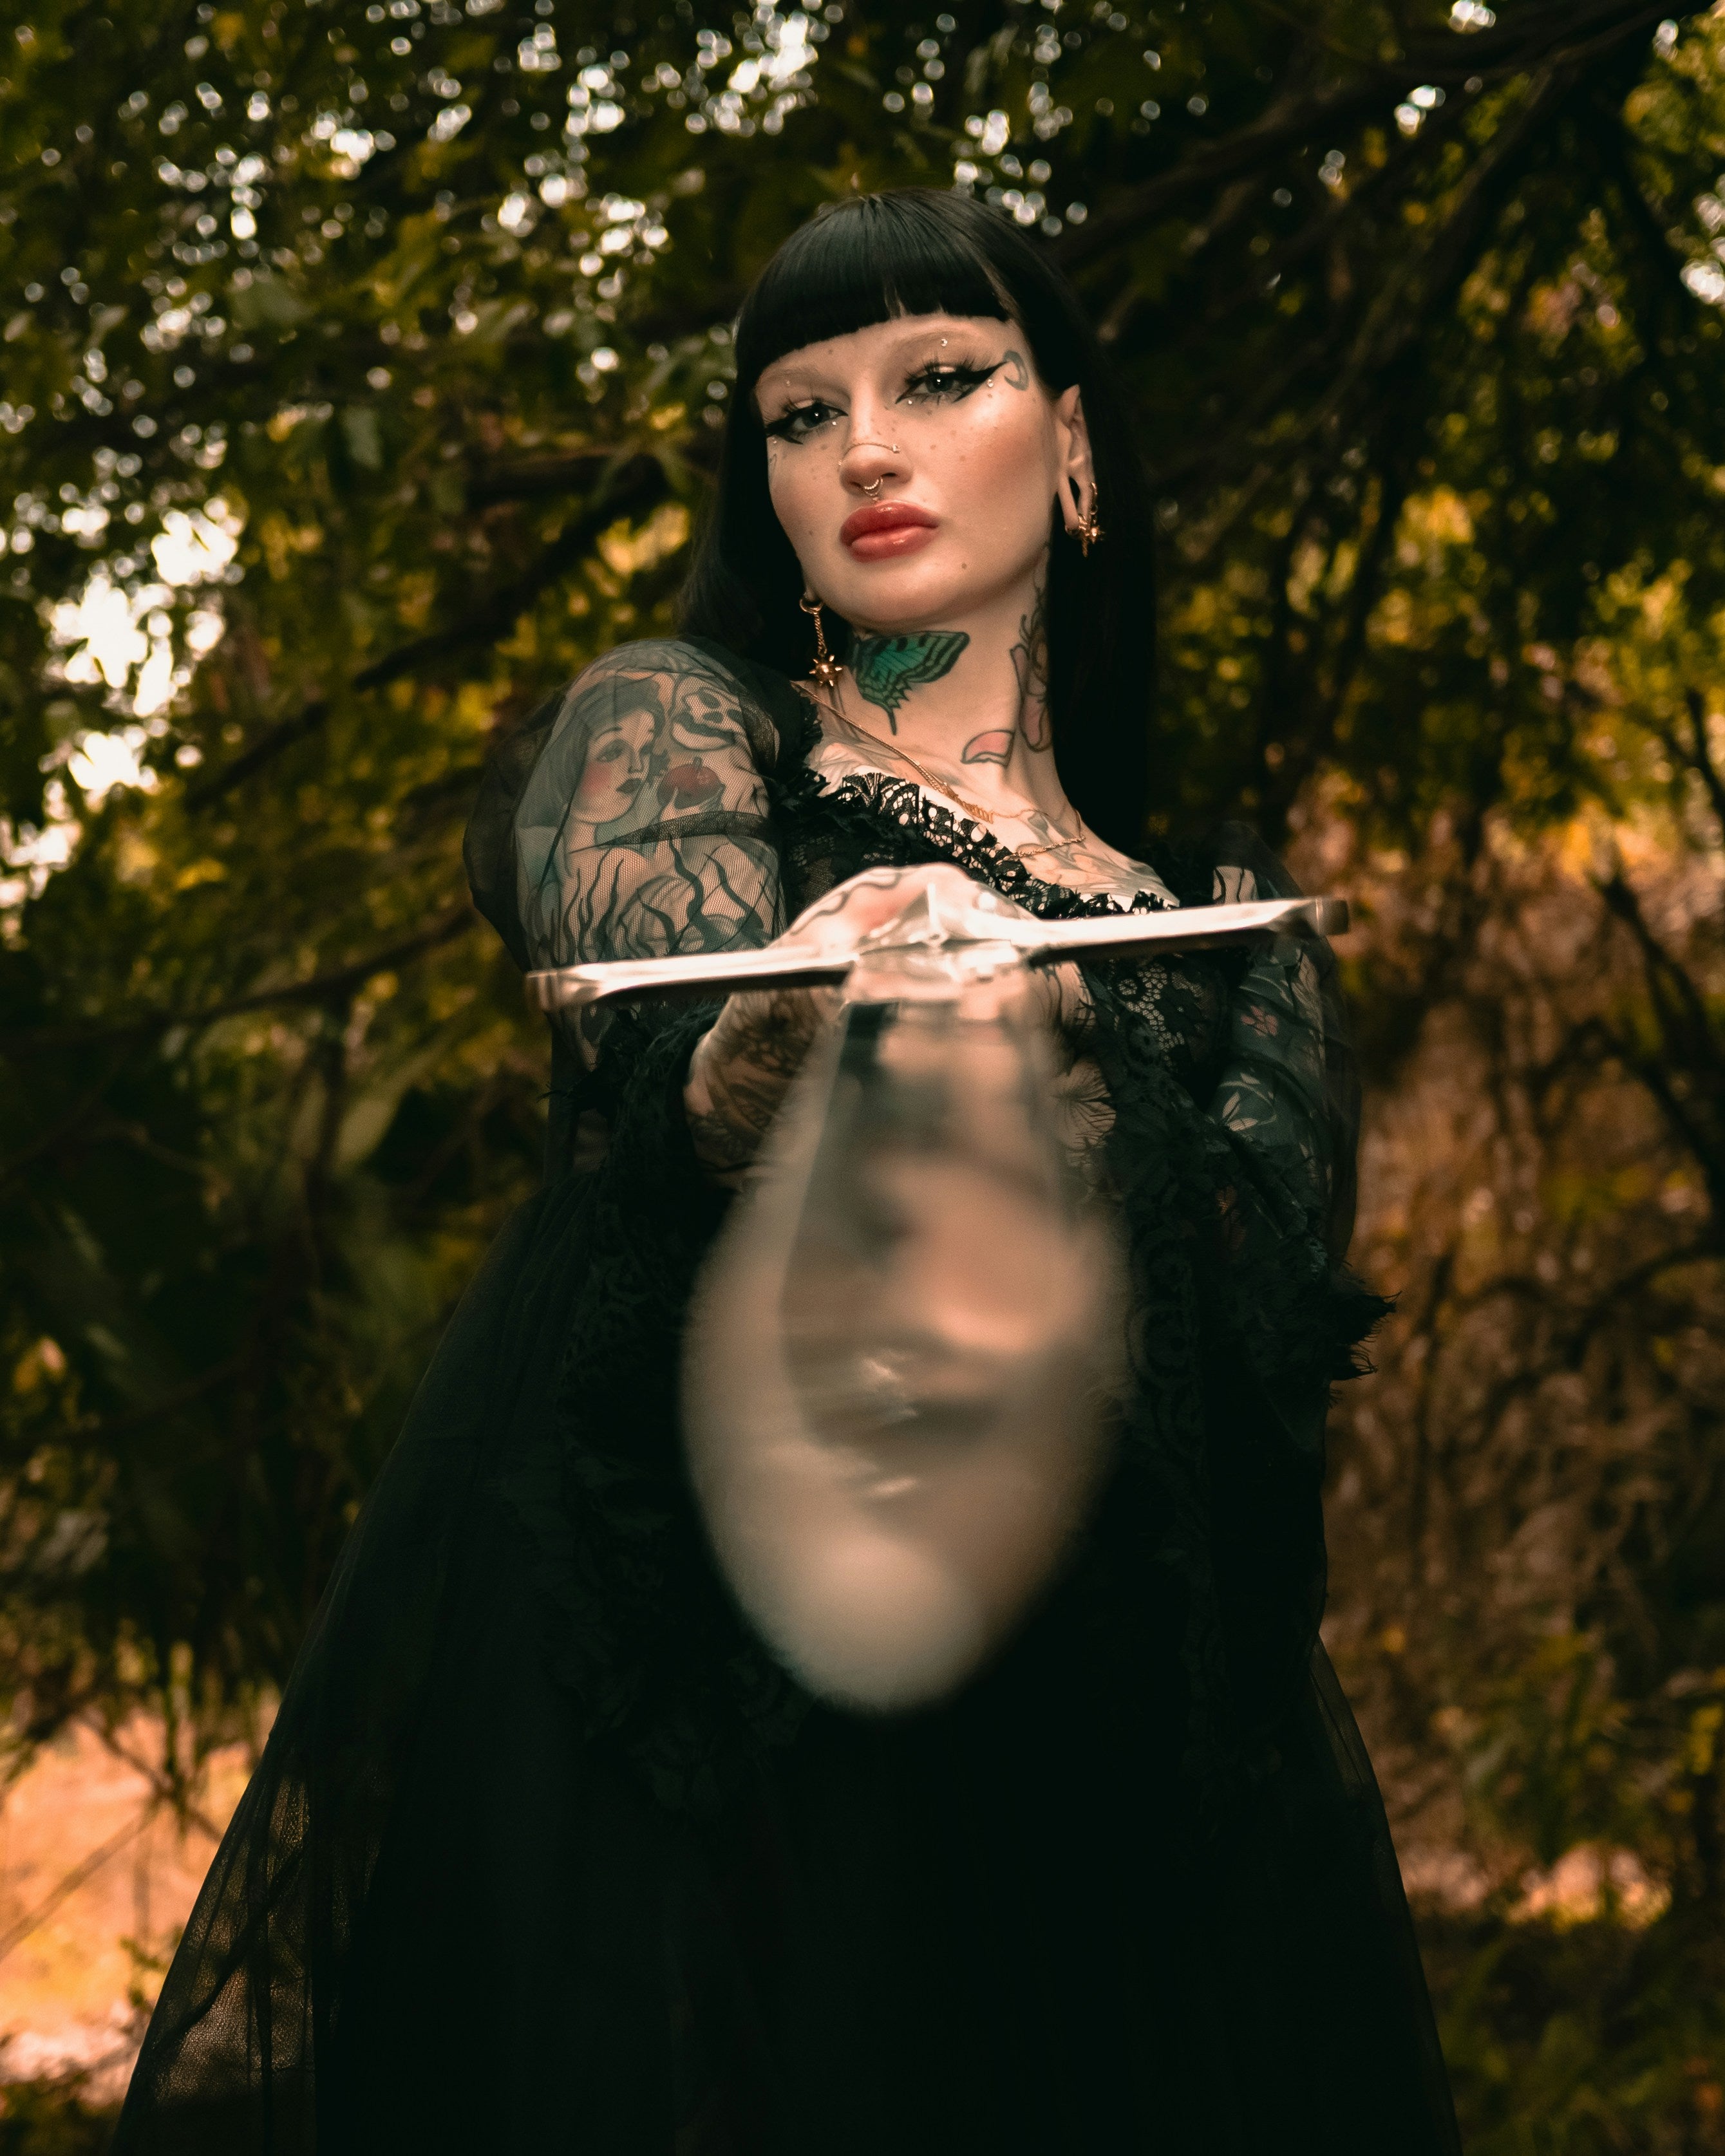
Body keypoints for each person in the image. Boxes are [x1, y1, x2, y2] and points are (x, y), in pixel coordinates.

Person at [115, 188, 1461, 2155]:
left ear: (1077, 445)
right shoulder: (680, 731)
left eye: (939, 377)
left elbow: (1248, 1343)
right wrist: (802, 1028)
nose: (866, 449)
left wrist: (1073, 1071)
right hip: (731, 1773)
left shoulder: (1233, 925)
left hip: (1117, 1804)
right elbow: (672, 1095)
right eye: (802, 414)